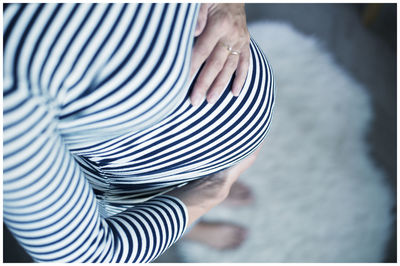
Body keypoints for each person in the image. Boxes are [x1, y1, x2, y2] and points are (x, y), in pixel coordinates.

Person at [3, 3, 274, 262]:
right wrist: (210, 193)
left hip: (189, 162)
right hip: (135, 187)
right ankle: (189, 224)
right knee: (153, 207)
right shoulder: (11, 94)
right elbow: (90, 256)